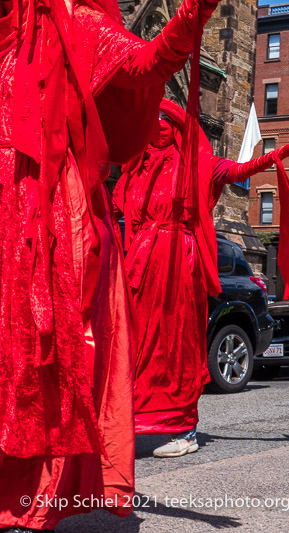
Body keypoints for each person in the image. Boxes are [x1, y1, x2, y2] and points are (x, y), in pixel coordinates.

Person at [0, 0, 223, 529]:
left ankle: (31, 502)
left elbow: (146, 64)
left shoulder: (73, 21)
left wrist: (194, 13)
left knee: (41, 355)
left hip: (45, 204)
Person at [113, 100, 289, 457]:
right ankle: (127, 420)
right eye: (152, 118)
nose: (156, 125)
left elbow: (240, 171)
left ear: (176, 127)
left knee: (177, 345)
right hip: (140, 262)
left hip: (178, 258)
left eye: (165, 119)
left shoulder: (198, 164)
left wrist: (279, 153)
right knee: (134, 343)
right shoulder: (135, 168)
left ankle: (184, 430)